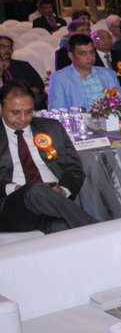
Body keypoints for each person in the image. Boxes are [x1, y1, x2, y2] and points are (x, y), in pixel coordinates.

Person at [0, 84, 95, 233]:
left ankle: (96, 236)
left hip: (52, 201)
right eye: (15, 112)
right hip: (12, 206)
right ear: (1, 109)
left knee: (61, 228)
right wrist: (14, 188)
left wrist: (63, 190)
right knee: (35, 190)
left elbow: (74, 168)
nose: (23, 119)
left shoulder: (52, 128)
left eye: (29, 112)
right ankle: (98, 230)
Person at [47, 34, 121, 109]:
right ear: (71, 56)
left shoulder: (109, 74)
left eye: (92, 52)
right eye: (83, 54)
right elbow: (57, 110)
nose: (90, 57)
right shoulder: (59, 79)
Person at [0, 36, 47, 109]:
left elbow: (39, 85)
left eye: (9, 47)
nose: (7, 50)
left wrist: (26, 93)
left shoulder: (23, 65)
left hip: (26, 102)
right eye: (3, 46)